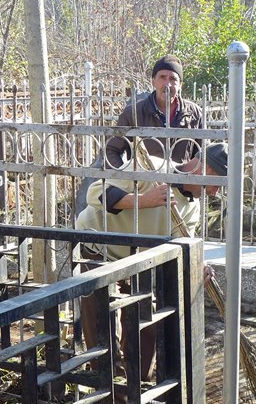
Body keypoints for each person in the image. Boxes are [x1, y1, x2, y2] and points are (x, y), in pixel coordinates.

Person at [76, 143, 227, 390]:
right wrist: (144, 200)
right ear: (206, 169)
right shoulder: (151, 168)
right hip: (99, 248)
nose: (215, 192)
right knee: (103, 322)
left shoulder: (192, 207)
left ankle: (137, 387)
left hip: (135, 261)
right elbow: (95, 194)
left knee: (147, 322)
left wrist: (199, 263)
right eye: (217, 183)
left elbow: (183, 241)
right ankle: (110, 392)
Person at [103, 55, 206, 169]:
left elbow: (204, 155)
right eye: (162, 77)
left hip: (181, 179)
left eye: (173, 79)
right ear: (153, 81)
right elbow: (111, 150)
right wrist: (126, 177)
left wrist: (190, 175)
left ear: (180, 84)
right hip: (145, 179)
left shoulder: (195, 114)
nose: (167, 84)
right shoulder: (133, 113)